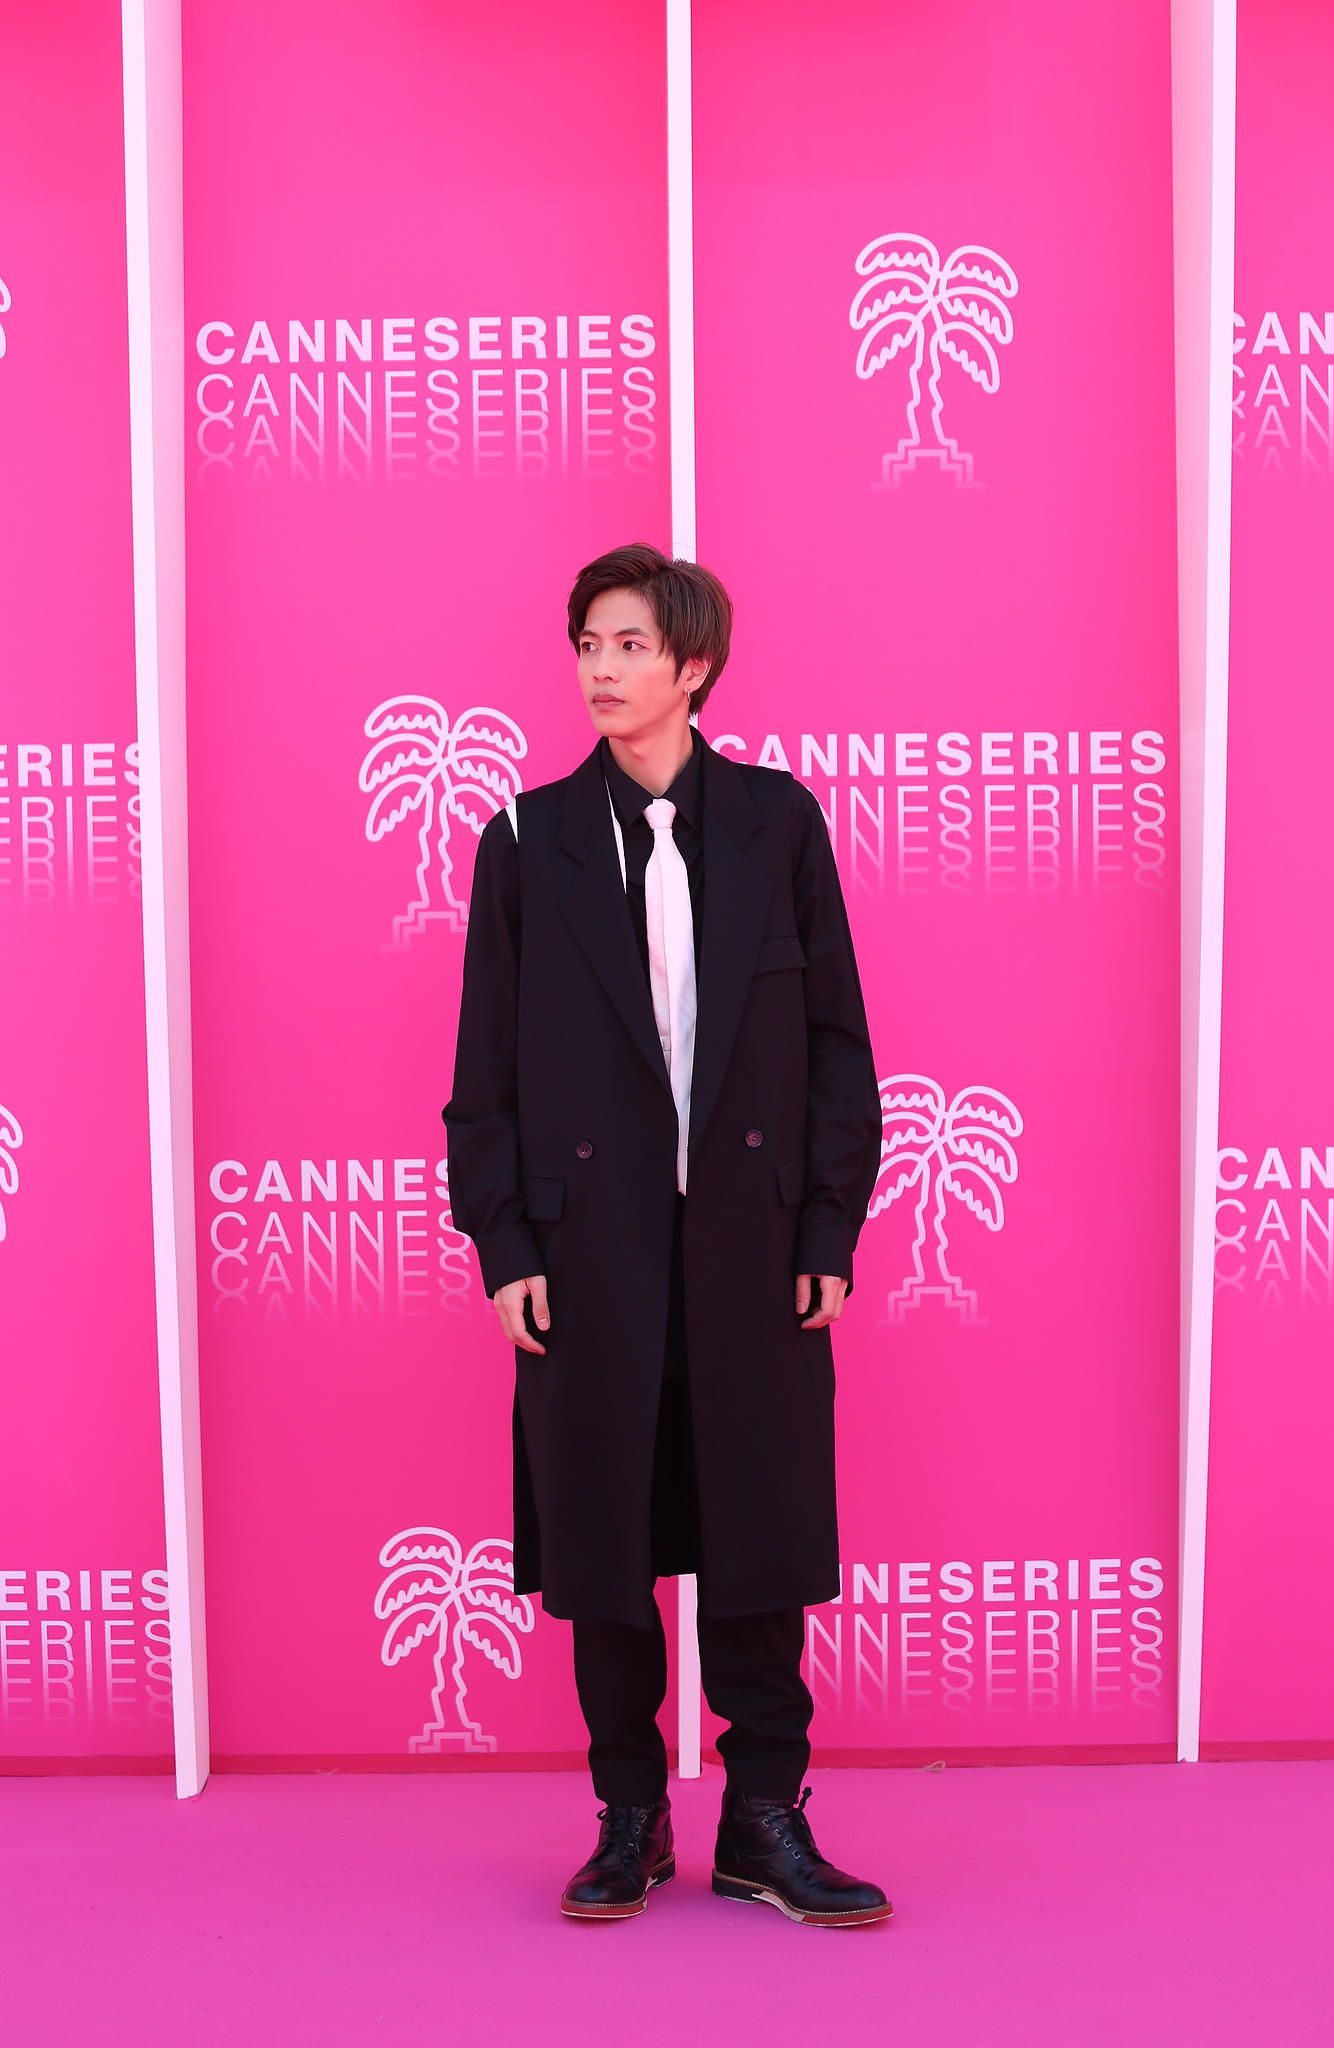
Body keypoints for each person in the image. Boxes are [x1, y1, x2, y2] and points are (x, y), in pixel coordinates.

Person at [442, 541, 889, 1926]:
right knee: (605, 1539)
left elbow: (838, 1047)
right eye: (588, 643)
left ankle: (763, 1819)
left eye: (629, 644)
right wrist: (507, 1246)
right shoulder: (528, 842)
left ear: (694, 666)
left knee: (759, 1527)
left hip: (754, 1249)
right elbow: (484, 1076)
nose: (600, 668)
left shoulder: (776, 823)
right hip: (589, 1258)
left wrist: (828, 1224)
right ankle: (628, 1816)